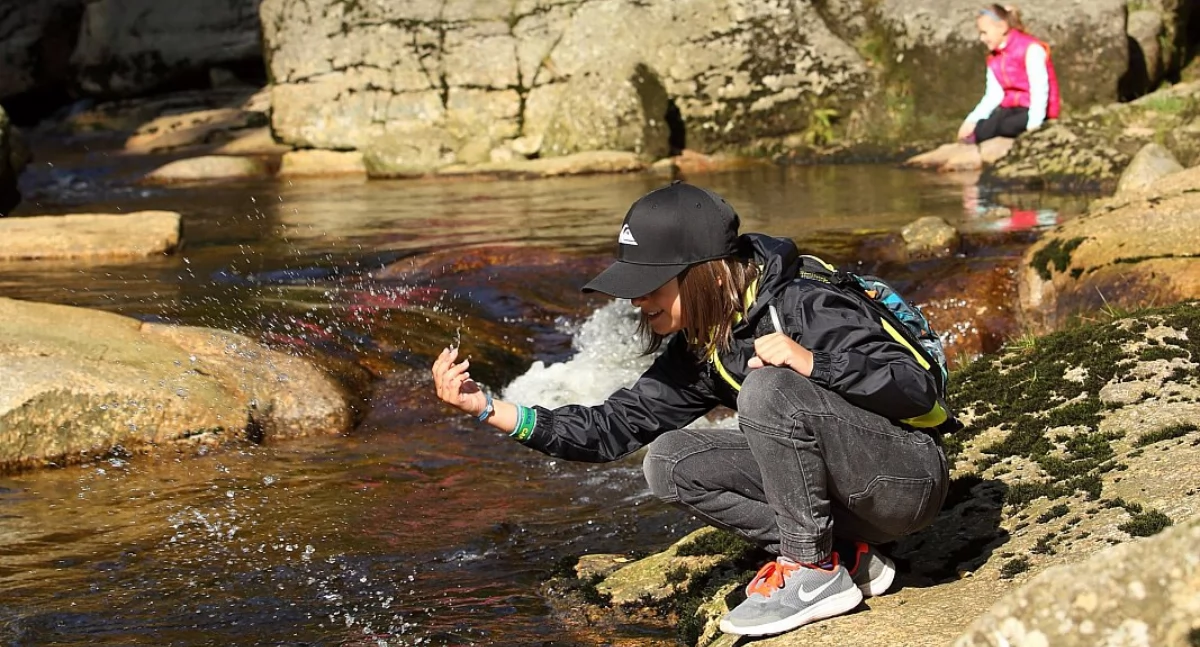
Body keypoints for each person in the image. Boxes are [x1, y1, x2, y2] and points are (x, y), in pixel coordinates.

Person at [430, 181, 953, 637]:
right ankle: (846, 557)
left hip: (905, 482)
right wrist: (490, 408)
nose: (636, 301)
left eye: (650, 284)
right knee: (669, 461)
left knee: (767, 388)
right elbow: (612, 428)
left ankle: (811, 569)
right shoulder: (707, 346)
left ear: (705, 273)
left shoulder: (805, 304)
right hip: (854, 506)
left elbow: (921, 394)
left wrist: (814, 363)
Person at [957, 4, 1061, 144]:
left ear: (1002, 27)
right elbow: (993, 95)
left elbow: (1039, 91)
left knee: (1005, 126)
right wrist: (971, 120)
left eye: (985, 33)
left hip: (1036, 109)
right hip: (1012, 107)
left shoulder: (1031, 49)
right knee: (984, 127)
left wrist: (1034, 126)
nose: (982, 38)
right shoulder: (994, 58)